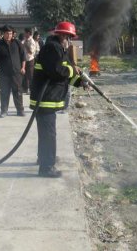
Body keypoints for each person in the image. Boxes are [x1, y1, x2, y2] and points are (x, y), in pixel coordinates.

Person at [30, 21, 85, 178]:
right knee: (49, 134)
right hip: (45, 99)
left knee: (45, 133)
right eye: (69, 37)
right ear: (62, 35)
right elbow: (58, 72)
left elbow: (66, 77)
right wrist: (71, 69)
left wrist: (81, 82)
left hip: (47, 98)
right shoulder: (52, 48)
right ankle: (47, 167)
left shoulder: (58, 49)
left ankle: (44, 158)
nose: (70, 41)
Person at [0, 25, 26, 118]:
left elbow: (23, 57)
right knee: (4, 93)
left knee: (18, 92)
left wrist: (23, 67)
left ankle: (20, 110)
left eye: (10, 33)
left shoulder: (18, 43)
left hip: (16, 73)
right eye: (7, 33)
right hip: (4, 74)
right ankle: (4, 111)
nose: (9, 35)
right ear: (3, 34)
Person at [22, 27, 37, 94]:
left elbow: (31, 52)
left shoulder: (32, 41)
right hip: (24, 60)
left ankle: (32, 89)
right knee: (25, 75)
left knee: (30, 75)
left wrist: (25, 45)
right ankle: (26, 89)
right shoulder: (25, 39)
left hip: (30, 60)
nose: (24, 34)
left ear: (28, 33)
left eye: (25, 32)